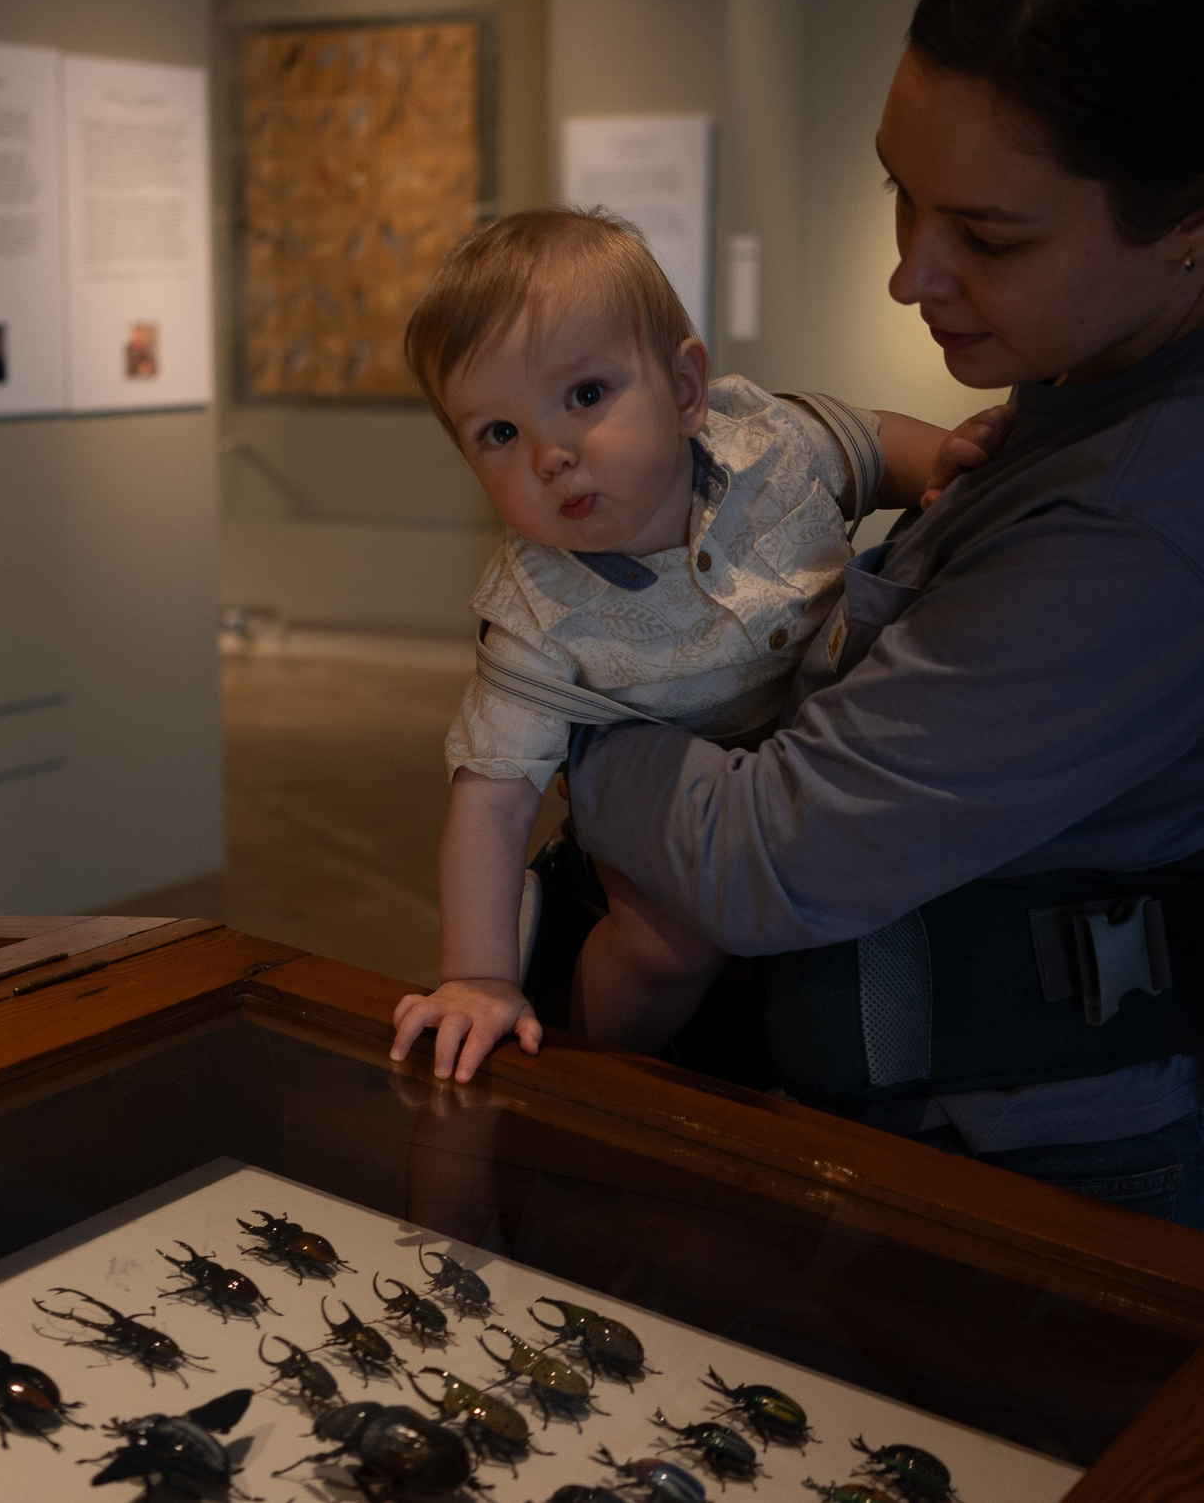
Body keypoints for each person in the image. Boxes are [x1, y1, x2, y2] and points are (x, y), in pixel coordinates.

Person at [550, 0, 1204, 1240]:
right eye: (903, 192)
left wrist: (571, 700)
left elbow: (768, 858)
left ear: (1197, 212)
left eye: (990, 236)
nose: (910, 275)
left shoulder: (1162, 514)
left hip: (1011, 1161)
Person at [385, 209, 1010, 1082]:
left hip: (819, 765)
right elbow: (490, 802)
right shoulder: (538, 610)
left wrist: (944, 459)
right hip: (666, 806)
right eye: (499, 434)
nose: (551, 455)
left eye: (586, 395)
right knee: (670, 941)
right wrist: (478, 976)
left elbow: (869, 444)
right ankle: (592, 1066)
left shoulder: (770, 443)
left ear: (686, 390)